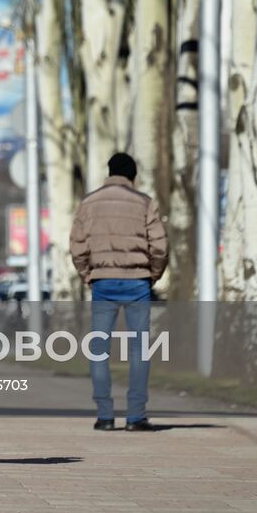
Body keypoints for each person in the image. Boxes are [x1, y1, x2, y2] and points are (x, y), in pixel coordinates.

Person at [69, 152, 167, 432]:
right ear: (132, 176)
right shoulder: (144, 203)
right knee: (139, 350)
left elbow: (77, 246)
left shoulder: (89, 203)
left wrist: (89, 275)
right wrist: (153, 275)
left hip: (102, 282)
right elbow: (160, 246)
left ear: (109, 172)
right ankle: (136, 416)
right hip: (138, 282)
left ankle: (105, 415)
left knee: (99, 350)